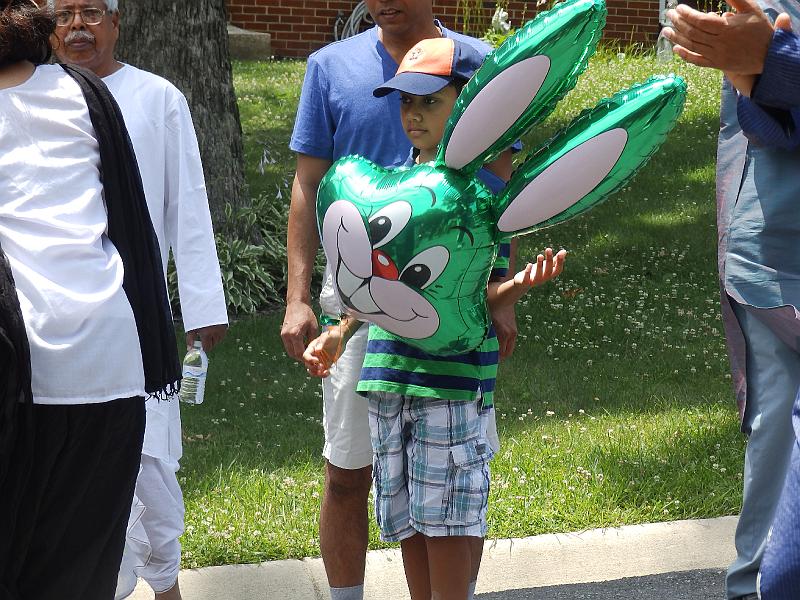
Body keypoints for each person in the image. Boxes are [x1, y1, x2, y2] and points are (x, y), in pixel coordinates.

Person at [302, 37, 566, 600]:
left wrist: (519, 285)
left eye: (430, 101)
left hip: (448, 384)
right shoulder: (392, 187)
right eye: (406, 102)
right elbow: (372, 287)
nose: (414, 115)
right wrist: (337, 333)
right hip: (387, 379)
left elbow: (484, 290)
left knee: (446, 521)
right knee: (407, 521)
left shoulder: (478, 198)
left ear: (467, 107)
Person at [0, 0, 181, 598]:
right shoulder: (83, 92)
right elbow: (129, 222)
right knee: (81, 575)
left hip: (24, 374)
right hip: (110, 361)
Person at [48, 1, 229, 599]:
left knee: (151, 465)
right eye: (64, 14)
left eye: (91, 12)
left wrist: (202, 308)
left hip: (137, 317)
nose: (78, 26)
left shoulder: (158, 99)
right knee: (76, 474)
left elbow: (188, 204)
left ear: (116, 22)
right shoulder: (31, 99)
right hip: (58, 327)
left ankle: (165, 585)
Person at [664, 1, 800, 599]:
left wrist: (775, 66)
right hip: (773, 259)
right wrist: (759, 74)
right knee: (779, 433)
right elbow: (764, 119)